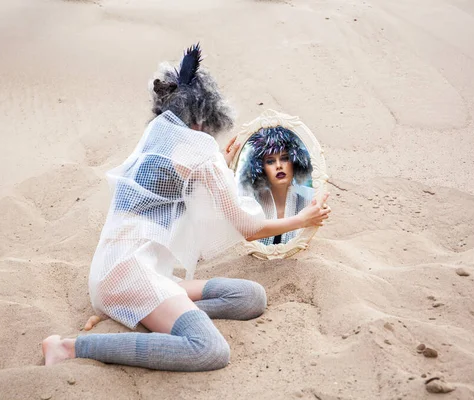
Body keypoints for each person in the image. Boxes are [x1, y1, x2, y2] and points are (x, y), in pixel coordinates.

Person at [42, 44, 330, 372]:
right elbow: (248, 227)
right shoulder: (199, 152)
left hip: (126, 271)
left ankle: (146, 315)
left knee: (251, 297)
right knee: (208, 350)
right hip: (129, 276)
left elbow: (173, 186)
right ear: (204, 116)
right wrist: (302, 218)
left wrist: (218, 164)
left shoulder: (157, 138)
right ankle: (68, 348)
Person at [239, 126, 316, 245]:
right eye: (270, 161)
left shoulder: (308, 202)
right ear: (261, 168)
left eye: (285, 158)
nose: (279, 166)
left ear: (295, 162)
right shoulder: (252, 204)